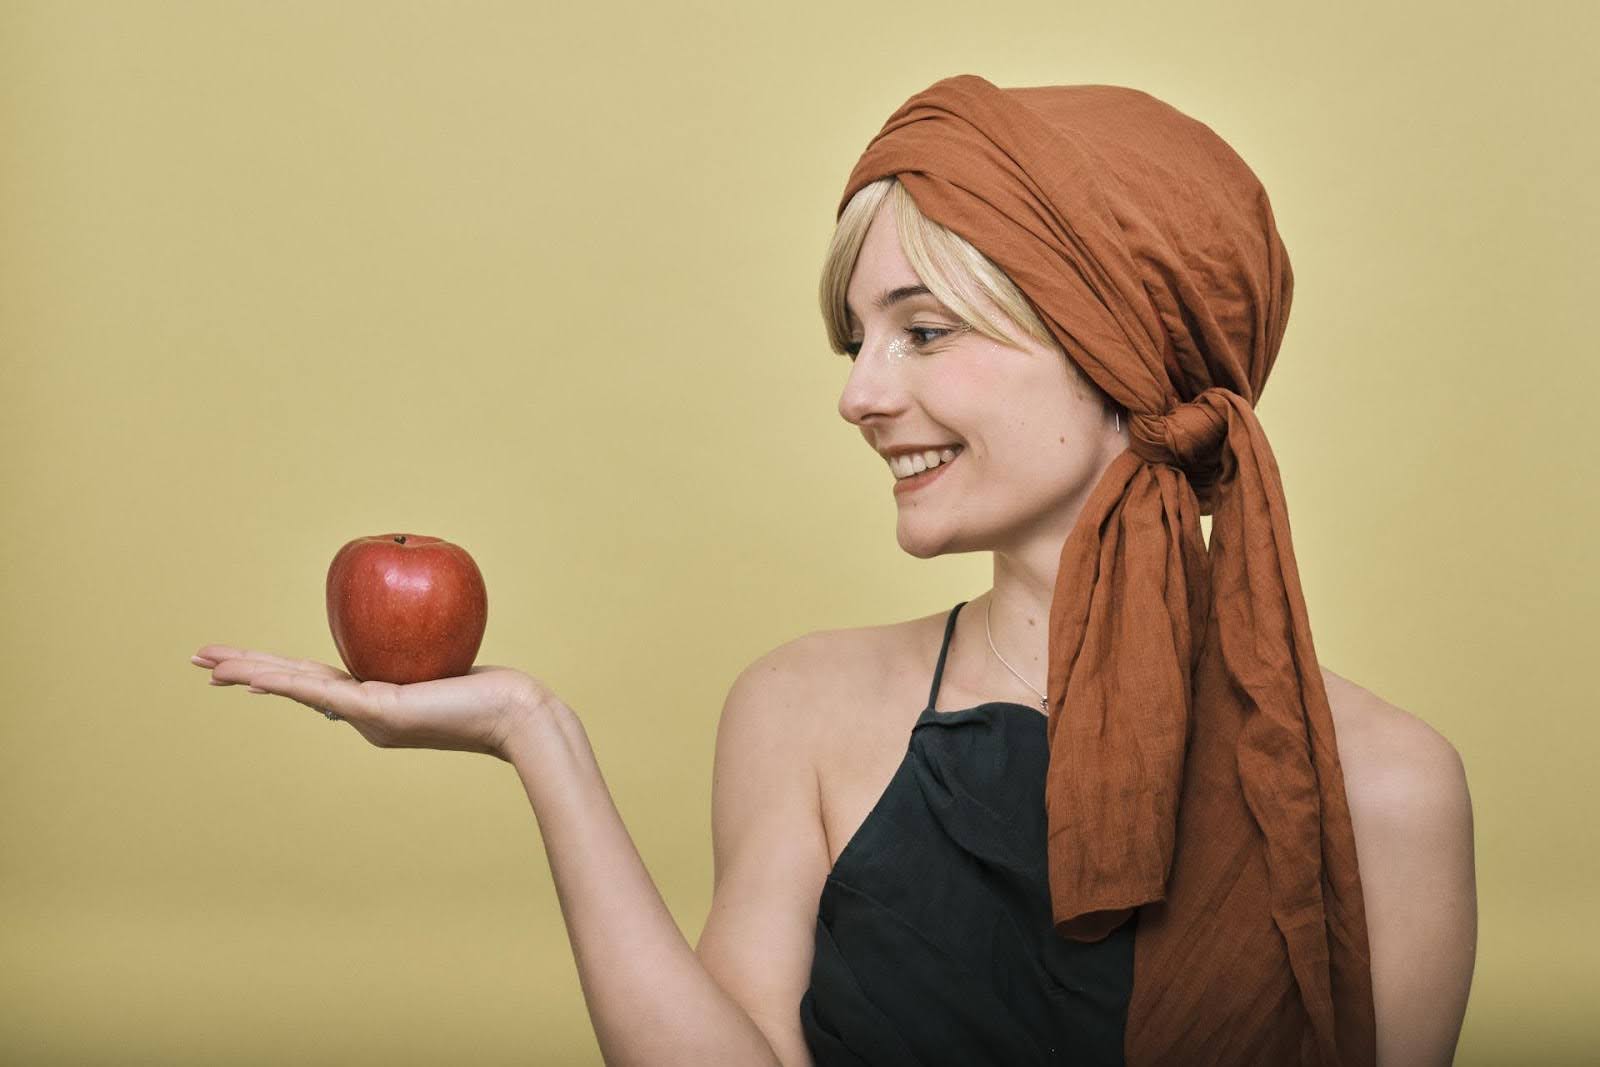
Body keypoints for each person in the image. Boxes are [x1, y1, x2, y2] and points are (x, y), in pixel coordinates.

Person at [191, 75, 1477, 1066]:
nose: (860, 395)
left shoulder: (1385, 786)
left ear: (1116, 353)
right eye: (855, 340)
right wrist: (538, 737)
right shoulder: (801, 708)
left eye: (921, 331)